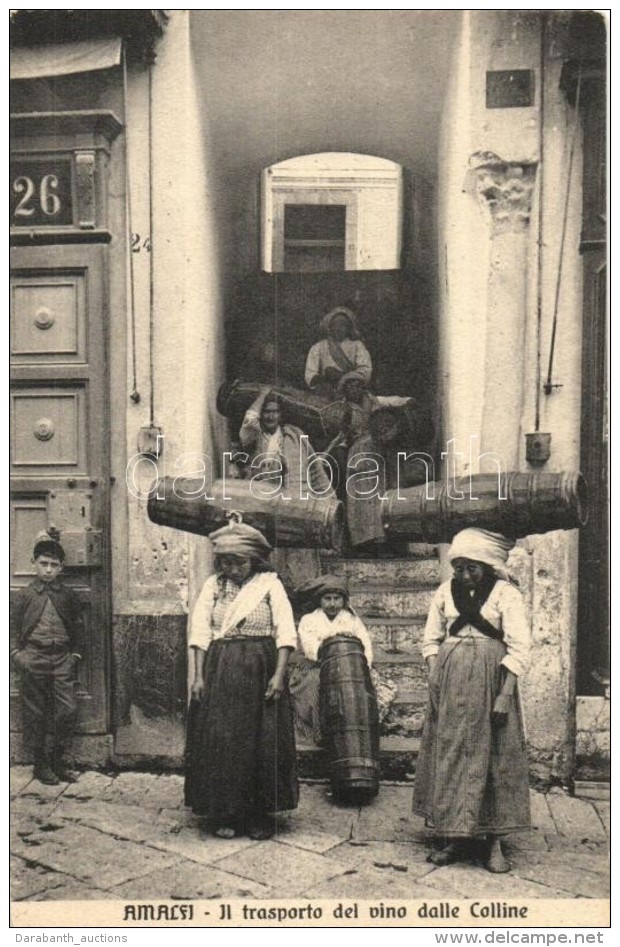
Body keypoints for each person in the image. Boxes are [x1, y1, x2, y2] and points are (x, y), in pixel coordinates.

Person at [412, 528, 531, 873]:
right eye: (459, 567)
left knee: (493, 755)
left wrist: (504, 695)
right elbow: (431, 639)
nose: (464, 575)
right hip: (449, 683)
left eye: (472, 569)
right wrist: (435, 674)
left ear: (489, 566)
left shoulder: (505, 594)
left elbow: (520, 646)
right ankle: (455, 836)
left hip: (491, 683)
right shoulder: (444, 592)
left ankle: (494, 843)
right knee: (451, 753)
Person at [184, 521, 299, 840]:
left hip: (261, 670)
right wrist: (197, 676)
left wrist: (278, 674)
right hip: (220, 671)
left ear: (254, 560)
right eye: (226, 562)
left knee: (260, 743)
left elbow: (286, 631)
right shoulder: (213, 586)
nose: (231, 568)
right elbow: (200, 631)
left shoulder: (269, 585)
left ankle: (258, 815)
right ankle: (227, 812)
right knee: (225, 741)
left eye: (239, 562)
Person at [237, 386, 335, 590]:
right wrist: (263, 394)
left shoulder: (295, 436)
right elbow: (250, 421)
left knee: (301, 558)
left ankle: (304, 595)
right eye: (266, 411)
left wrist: (329, 503)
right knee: (272, 559)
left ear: (281, 414)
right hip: (266, 508)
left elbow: (315, 471)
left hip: (298, 505)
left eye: (275, 411)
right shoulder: (254, 438)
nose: (271, 416)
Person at [10, 532, 85, 785]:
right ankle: (40, 764)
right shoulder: (24, 595)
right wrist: (17, 655)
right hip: (34, 657)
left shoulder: (67, 595)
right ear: (34, 563)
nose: (49, 570)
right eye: (44, 563)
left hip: (62, 658)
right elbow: (10, 627)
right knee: (36, 712)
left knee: (68, 708)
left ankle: (57, 760)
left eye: (54, 565)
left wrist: (75, 654)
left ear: (61, 568)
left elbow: (78, 626)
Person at [305, 307, 372, 397]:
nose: (338, 328)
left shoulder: (357, 346)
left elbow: (365, 370)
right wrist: (322, 381)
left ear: (349, 328)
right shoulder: (318, 347)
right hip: (326, 391)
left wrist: (344, 377)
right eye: (335, 324)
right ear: (330, 327)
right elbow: (310, 373)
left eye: (342, 325)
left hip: (351, 390)